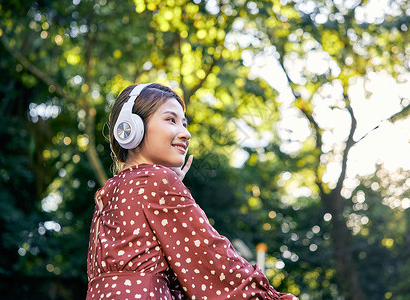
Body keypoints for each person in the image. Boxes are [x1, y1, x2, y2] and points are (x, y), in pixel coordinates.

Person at [86, 83, 299, 300]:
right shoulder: (157, 181)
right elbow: (210, 257)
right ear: (132, 127)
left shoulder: (110, 190)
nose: (186, 133)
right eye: (171, 119)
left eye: (184, 123)